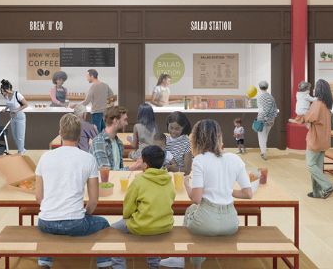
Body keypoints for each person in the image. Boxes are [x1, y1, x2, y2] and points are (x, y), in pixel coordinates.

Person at [161, 119, 252, 269]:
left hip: (206, 222)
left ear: (196, 139)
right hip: (231, 223)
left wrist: (186, 184)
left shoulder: (200, 160)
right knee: (197, 215)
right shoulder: (235, 159)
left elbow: (196, 198)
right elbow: (248, 193)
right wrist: (226, 190)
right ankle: (191, 258)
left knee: (191, 211)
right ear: (219, 136)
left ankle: (183, 259)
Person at [35, 113, 113, 268]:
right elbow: (93, 201)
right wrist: (84, 214)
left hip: (45, 222)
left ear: (60, 133)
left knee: (49, 223)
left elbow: (39, 197)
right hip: (75, 223)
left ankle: (45, 262)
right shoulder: (88, 159)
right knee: (103, 223)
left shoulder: (45, 157)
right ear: (80, 135)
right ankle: (104, 264)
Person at [110, 145, 175, 269]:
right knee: (152, 232)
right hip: (165, 225)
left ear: (145, 165)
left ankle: (119, 266)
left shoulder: (139, 180)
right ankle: (154, 265)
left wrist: (128, 218)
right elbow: (170, 199)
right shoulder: (168, 179)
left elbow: (128, 207)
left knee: (113, 231)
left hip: (143, 225)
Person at [301, 79, 333, 199]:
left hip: (315, 140)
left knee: (310, 165)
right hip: (324, 140)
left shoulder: (317, 104)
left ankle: (328, 186)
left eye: (315, 87)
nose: (314, 89)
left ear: (319, 89)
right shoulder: (327, 104)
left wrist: (304, 117)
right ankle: (317, 192)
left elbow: (309, 117)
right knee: (318, 167)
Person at [89, 106, 142, 171]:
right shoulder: (99, 142)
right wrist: (132, 168)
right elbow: (106, 172)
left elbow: (118, 170)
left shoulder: (119, 143)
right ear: (115, 121)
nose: (127, 123)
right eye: (125, 120)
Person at [0, 79, 29, 155]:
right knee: (15, 136)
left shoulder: (17, 94)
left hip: (20, 117)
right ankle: (22, 149)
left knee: (20, 136)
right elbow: (9, 104)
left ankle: (20, 151)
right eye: (2, 91)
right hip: (12, 117)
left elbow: (26, 104)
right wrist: (5, 109)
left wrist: (17, 110)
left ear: (8, 89)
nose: (3, 93)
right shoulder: (6, 96)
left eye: (4, 91)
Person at [256, 80, 278, 160]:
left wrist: (262, 118)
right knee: (265, 136)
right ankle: (263, 150)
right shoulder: (271, 97)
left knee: (261, 136)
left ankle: (263, 153)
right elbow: (275, 109)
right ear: (267, 87)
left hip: (261, 119)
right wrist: (273, 119)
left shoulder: (259, 97)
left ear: (260, 87)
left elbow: (261, 110)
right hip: (270, 120)